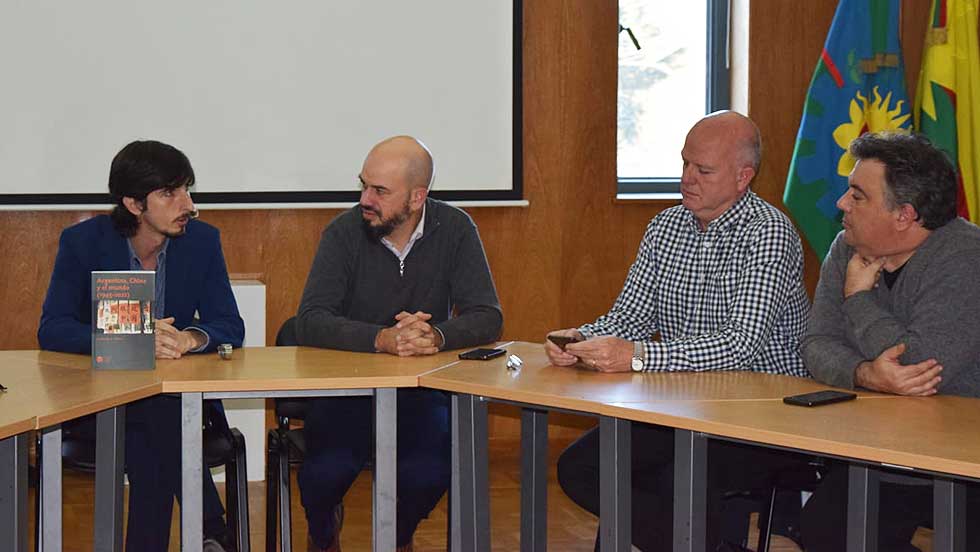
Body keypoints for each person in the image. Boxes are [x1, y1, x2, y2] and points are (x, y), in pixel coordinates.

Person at [545, 111, 810, 551]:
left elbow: (739, 345)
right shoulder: (665, 226)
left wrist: (637, 356)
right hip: (682, 406)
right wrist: (582, 340)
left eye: (703, 170)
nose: (687, 178)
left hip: (762, 417)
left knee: (675, 478)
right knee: (583, 467)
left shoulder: (769, 233)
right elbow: (629, 317)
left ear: (744, 177)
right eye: (685, 163)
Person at [294, 135, 503, 552]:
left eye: (380, 191)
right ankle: (322, 533)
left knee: (429, 472)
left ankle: (396, 535)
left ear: (416, 197)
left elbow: (487, 316)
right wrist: (381, 338)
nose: (365, 199)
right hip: (348, 390)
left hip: (419, 392)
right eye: (364, 185)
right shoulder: (343, 233)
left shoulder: (456, 229)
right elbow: (311, 321)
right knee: (322, 473)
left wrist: (437, 335)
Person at [38, 140, 245, 552]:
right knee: (161, 425)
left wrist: (189, 338)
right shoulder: (83, 243)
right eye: (170, 193)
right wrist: (133, 339)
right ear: (133, 204)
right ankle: (212, 528)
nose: (188, 204)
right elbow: (53, 328)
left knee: (159, 419)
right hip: (100, 403)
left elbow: (229, 325)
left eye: (187, 188)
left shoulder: (202, 242)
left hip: (173, 405)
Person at [800, 131, 980, 551]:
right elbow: (816, 343)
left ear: (905, 215)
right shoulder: (848, 246)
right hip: (881, 446)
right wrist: (865, 374)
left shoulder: (966, 257)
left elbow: (919, 365)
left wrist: (859, 298)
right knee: (825, 532)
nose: (841, 205)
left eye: (857, 196)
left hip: (963, 457)